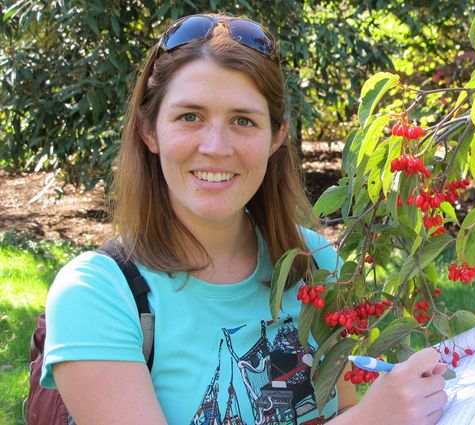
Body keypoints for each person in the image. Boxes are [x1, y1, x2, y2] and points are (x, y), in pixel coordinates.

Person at [40, 12, 447, 425]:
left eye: (243, 121)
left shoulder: (317, 263)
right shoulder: (97, 295)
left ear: (276, 137)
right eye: (190, 117)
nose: (216, 146)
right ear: (149, 131)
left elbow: (338, 408)